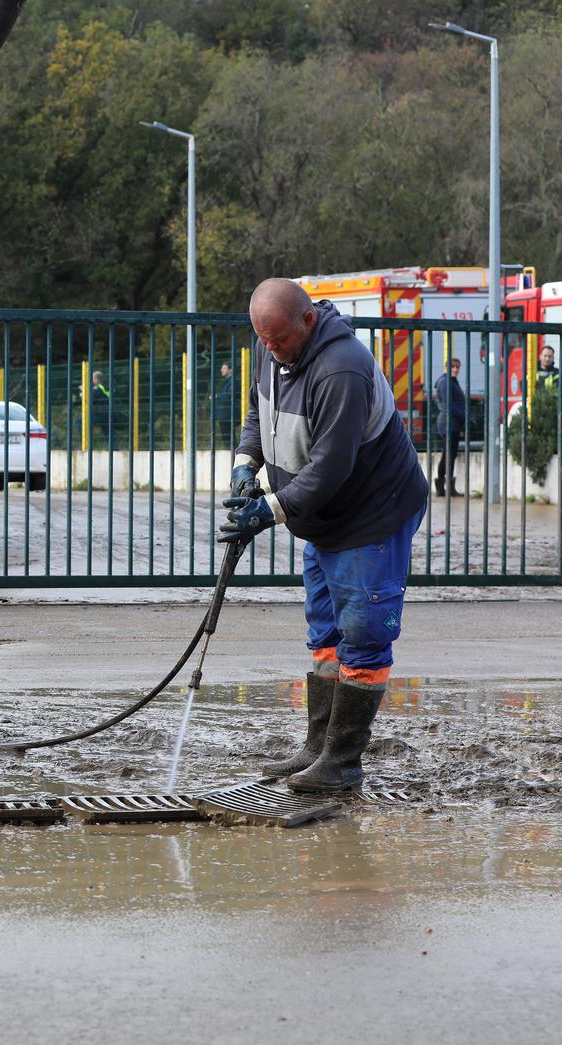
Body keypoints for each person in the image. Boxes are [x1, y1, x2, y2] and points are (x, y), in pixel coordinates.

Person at [220, 278, 428, 792]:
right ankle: (318, 747)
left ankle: (342, 762)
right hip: (324, 520)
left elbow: (330, 466)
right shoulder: (276, 348)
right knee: (326, 633)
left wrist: (269, 509)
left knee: (363, 634)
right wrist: (247, 464)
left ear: (307, 321)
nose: (269, 350)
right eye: (262, 340)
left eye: (276, 340)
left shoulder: (342, 369)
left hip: (370, 518)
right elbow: (258, 411)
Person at [432, 357, 467, 496]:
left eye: (457, 367)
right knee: (447, 455)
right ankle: (442, 488)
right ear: (446, 368)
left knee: (450, 455)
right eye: (453, 367)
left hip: (453, 423)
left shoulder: (451, 381)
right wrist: (464, 415)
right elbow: (449, 405)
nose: (455, 369)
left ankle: (448, 488)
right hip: (448, 423)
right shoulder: (445, 382)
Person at [211, 359, 238, 448]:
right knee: (226, 436)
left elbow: (229, 396)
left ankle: (233, 452)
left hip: (229, 414)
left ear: (230, 370)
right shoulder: (226, 382)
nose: (221, 370)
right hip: (225, 414)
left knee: (228, 436)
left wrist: (217, 397)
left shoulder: (233, 382)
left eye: (224, 368)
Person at [87, 369, 112, 446]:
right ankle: (114, 449)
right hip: (108, 413)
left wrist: (83, 392)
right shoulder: (106, 387)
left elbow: (90, 399)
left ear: (95, 379)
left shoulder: (97, 388)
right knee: (108, 433)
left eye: (93, 378)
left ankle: (89, 443)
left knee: (78, 422)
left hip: (100, 414)